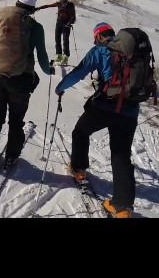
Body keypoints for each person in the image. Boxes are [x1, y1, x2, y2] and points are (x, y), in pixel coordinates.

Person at [54, 22, 140, 218]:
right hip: (130, 111)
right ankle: (122, 208)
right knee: (121, 156)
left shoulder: (100, 51)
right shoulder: (133, 53)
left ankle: (78, 169)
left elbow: (79, 72)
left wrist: (61, 87)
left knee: (81, 132)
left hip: (104, 107)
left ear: (98, 36)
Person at [0, 0, 54, 170]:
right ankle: (11, 157)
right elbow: (41, 56)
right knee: (16, 119)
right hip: (21, 80)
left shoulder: (1, 18)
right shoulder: (35, 27)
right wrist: (48, 70)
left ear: (17, 4)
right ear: (32, 10)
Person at [36, 0, 76, 66]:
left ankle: (65, 57)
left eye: (65, 3)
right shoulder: (59, 4)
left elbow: (73, 16)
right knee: (57, 40)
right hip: (59, 24)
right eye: (62, 3)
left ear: (67, 2)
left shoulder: (70, 5)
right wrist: (39, 8)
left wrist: (69, 23)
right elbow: (48, 6)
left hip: (66, 25)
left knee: (65, 41)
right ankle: (59, 56)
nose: (64, 4)